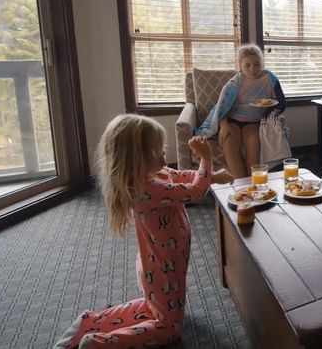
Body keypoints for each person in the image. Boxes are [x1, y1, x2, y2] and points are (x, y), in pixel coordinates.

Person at [54, 114, 233, 348]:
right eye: (156, 150)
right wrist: (206, 160)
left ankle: (90, 323)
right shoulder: (145, 188)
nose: (163, 154)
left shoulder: (151, 176)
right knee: (169, 328)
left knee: (152, 308)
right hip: (161, 265)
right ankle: (98, 342)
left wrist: (212, 176)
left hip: (163, 262)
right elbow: (195, 193)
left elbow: (180, 178)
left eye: (162, 147)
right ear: (135, 158)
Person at [195, 44, 286, 178]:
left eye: (257, 64)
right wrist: (224, 124)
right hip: (233, 121)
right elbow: (222, 106)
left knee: (254, 143)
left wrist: (270, 114)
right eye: (247, 65)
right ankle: (240, 183)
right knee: (229, 141)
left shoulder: (270, 79)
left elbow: (281, 102)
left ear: (262, 63)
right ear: (240, 65)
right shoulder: (235, 82)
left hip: (254, 122)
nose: (253, 69)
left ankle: (253, 181)